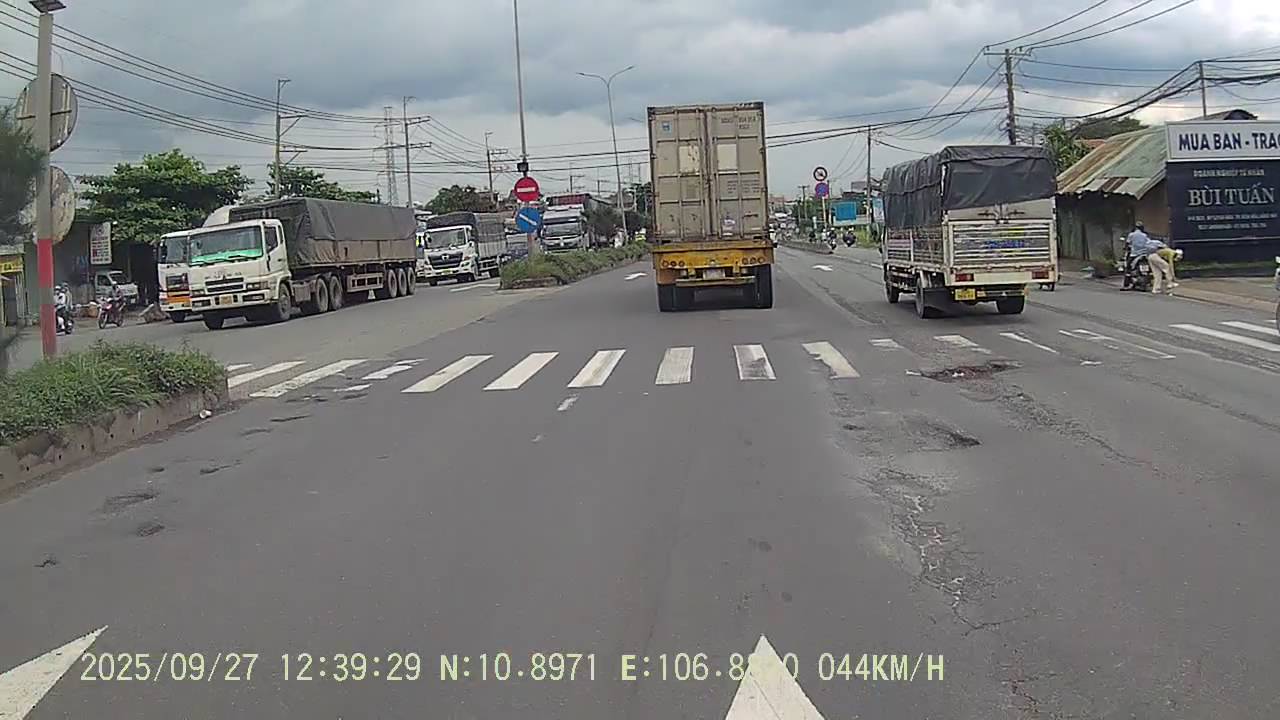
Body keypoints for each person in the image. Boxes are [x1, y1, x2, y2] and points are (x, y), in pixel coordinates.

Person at [1125, 221, 1172, 294]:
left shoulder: (1131, 235)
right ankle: (1158, 286)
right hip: (1145, 254)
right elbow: (1148, 243)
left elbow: (1127, 243)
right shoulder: (1145, 235)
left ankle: (1126, 284)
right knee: (1156, 271)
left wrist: (1126, 248)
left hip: (1134, 254)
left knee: (1128, 268)